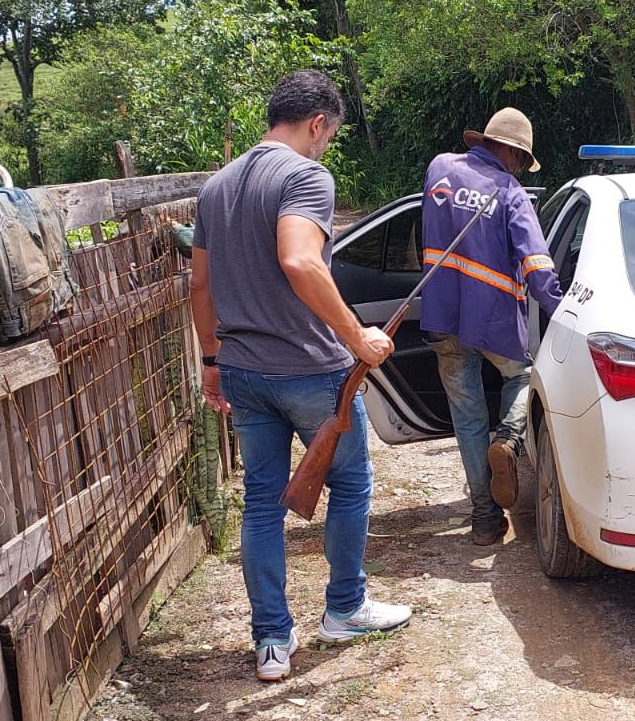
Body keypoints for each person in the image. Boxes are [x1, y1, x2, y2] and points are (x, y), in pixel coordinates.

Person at [190, 70, 411, 681]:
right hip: (314, 373)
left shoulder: (216, 187)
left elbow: (200, 285)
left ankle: (270, 643)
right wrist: (357, 336)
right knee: (351, 486)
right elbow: (299, 259)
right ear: (318, 123)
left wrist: (210, 361)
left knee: (260, 502)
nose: (327, 147)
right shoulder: (306, 176)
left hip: (241, 370)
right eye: (330, 136)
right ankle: (344, 609)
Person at [420, 108, 563, 545]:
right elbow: (537, 267)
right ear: (515, 154)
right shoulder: (511, 192)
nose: (520, 166)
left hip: (443, 314)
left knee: (466, 418)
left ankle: (485, 519)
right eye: (522, 159)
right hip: (494, 317)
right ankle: (508, 439)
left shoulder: (439, 169)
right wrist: (561, 307)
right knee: (521, 376)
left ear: (483, 141)